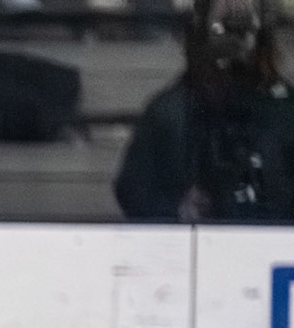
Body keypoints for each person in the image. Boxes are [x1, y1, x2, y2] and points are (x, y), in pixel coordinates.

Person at [115, 0, 294, 222]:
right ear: (203, 31)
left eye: (243, 24)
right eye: (226, 24)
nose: (234, 37)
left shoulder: (286, 109)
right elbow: (134, 191)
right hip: (189, 246)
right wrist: (177, 208)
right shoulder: (168, 112)